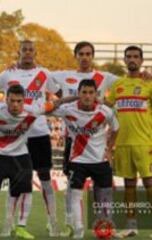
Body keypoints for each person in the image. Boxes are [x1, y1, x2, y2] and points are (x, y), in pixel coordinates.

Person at [0, 40, 60, 237]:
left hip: (38, 131)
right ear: (18, 52)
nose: (27, 53)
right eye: (24, 50)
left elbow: (59, 94)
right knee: (16, 181)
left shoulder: (44, 73)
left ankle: (52, 220)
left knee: (45, 177)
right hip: (15, 134)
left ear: (35, 53)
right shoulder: (8, 74)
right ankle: (9, 223)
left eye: (31, 50)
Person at [51, 41, 118, 236]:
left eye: (89, 54)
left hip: (98, 150)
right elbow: (40, 75)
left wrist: (109, 148)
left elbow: (124, 84)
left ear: (93, 56)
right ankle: (72, 224)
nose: (85, 57)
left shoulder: (103, 77)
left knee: (102, 192)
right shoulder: (64, 75)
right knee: (72, 189)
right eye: (81, 53)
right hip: (73, 141)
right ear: (76, 55)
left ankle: (103, 225)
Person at [105, 46, 152, 239]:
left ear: (141, 61)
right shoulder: (118, 85)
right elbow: (108, 108)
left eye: (135, 57)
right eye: (129, 57)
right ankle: (131, 226)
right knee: (129, 185)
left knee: (149, 183)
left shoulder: (149, 83)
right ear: (124, 61)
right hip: (123, 143)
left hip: (145, 143)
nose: (132, 59)